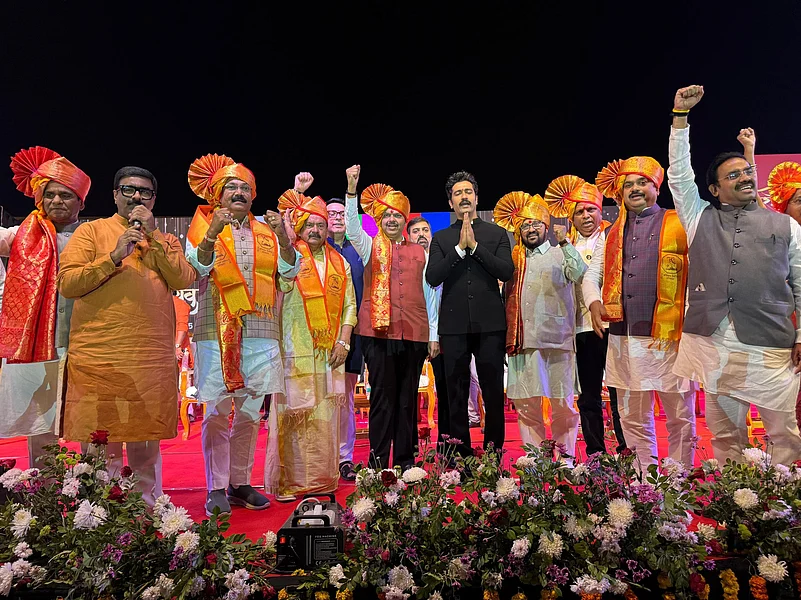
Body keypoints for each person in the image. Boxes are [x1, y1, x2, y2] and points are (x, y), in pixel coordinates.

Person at [668, 84, 801, 465]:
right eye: (733, 176)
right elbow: (679, 176)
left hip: (771, 345)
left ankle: (781, 509)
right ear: (714, 189)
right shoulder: (697, 219)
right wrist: (680, 118)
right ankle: (736, 502)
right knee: (725, 432)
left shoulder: (786, 226)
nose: (744, 177)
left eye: (747, 171)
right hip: (713, 344)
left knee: (782, 432)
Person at [57, 166, 196, 505]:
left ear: (153, 199)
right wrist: (113, 256)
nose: (136, 196)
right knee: (101, 447)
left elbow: (183, 280)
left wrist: (154, 242)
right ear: (115, 194)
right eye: (129, 189)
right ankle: (100, 522)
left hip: (148, 360)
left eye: (144, 192)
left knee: (145, 447)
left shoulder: (165, 240)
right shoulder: (91, 232)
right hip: (98, 357)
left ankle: (148, 518)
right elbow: (69, 284)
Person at [184, 153, 300, 516]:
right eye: (231, 187)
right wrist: (213, 234)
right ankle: (215, 486)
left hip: (261, 331)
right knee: (217, 412)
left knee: (250, 414)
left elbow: (287, 275)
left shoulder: (267, 229)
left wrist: (283, 238)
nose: (239, 192)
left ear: (253, 196)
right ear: (217, 194)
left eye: (245, 188)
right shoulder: (201, 225)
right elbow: (196, 269)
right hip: (214, 332)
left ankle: (239, 482)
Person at [582, 157, 696, 469]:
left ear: (656, 188)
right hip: (624, 340)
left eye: (642, 182)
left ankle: (677, 483)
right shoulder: (611, 233)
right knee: (632, 418)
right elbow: (592, 276)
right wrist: (593, 303)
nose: (635, 188)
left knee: (679, 418)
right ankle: (644, 485)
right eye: (628, 184)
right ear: (619, 193)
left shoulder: (679, 222)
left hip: (670, 338)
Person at [344, 165, 439, 470]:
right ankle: (377, 462)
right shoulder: (370, 245)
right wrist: (351, 192)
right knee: (382, 399)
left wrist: (433, 335)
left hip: (413, 334)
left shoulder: (419, 253)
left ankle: (405, 461)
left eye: (398, 215)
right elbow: (351, 228)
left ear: (405, 220)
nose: (393, 219)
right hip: (377, 334)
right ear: (380, 220)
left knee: (408, 399)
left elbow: (430, 294)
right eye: (387, 216)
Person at [0, 147, 91, 465]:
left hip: (87, 346)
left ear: (81, 201)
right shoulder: (24, 235)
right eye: (49, 194)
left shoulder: (95, 236)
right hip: (39, 348)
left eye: (65, 195)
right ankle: (46, 502)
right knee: (41, 429)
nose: (56, 201)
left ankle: (98, 500)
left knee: (92, 427)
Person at [264, 190, 357, 500]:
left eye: (320, 225)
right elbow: (282, 285)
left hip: (330, 352)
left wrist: (344, 341)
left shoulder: (339, 262)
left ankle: (322, 479)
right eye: (310, 225)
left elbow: (349, 307)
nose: (315, 230)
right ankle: (290, 482)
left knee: (325, 417)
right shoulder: (289, 258)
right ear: (300, 228)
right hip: (294, 350)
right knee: (293, 414)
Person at [426, 171, 514, 458]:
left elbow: (505, 271)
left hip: (490, 325)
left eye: (468, 192)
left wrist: (475, 248)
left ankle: (493, 456)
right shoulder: (440, 239)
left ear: (476, 198)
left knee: (491, 393)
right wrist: (459, 251)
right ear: (450, 202)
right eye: (457, 193)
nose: (463, 197)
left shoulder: (497, 234)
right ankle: (460, 457)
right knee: (456, 394)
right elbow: (433, 277)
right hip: (453, 328)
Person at [495, 192, 586, 456]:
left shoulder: (561, 252)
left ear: (546, 227)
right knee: (526, 407)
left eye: (536, 224)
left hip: (558, 342)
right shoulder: (512, 260)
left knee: (563, 405)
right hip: (523, 343)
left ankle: (565, 459)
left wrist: (566, 242)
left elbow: (579, 273)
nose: (531, 229)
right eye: (525, 224)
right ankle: (535, 464)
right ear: (518, 230)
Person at [544, 175, 625, 455]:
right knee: (588, 394)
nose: (586, 215)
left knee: (618, 391)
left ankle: (627, 450)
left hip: (614, 325)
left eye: (590, 209)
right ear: (571, 218)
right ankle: (595, 453)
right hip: (580, 329)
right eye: (579, 211)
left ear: (600, 210)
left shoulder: (615, 238)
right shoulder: (563, 250)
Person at [324, 183, 364, 481]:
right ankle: (319, 459)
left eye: (341, 213)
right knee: (318, 398)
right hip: (316, 335)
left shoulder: (359, 249)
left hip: (352, 334)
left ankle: (343, 458)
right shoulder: (313, 246)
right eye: (331, 213)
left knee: (345, 398)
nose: (336, 217)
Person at [407, 216, 453, 439]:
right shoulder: (402, 265)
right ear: (408, 236)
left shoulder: (440, 262)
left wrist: (434, 335)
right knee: (409, 393)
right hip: (412, 334)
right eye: (416, 231)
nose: (421, 234)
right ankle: (411, 450)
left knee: (446, 391)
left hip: (441, 335)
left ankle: (446, 446)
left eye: (425, 230)